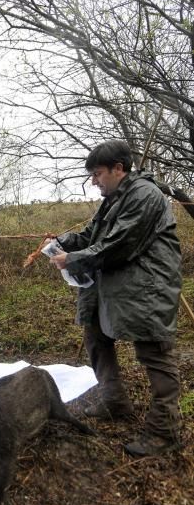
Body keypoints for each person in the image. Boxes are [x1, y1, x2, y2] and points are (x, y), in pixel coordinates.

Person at [48, 139, 182, 457]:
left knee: (155, 353)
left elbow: (118, 244)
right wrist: (62, 242)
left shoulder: (145, 196)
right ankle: (114, 400)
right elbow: (93, 234)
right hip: (115, 284)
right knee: (94, 334)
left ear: (118, 169)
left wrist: (74, 259)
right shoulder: (113, 199)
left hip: (147, 287)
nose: (94, 181)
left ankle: (165, 432)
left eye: (97, 174)